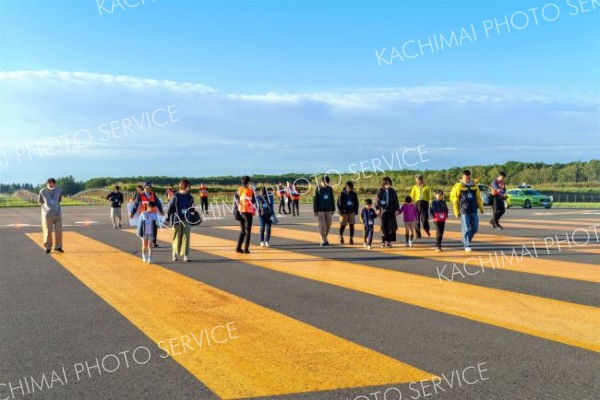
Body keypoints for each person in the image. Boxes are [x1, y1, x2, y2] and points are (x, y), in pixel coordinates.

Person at [451, 170, 484, 252]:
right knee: (466, 228)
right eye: (466, 178)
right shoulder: (459, 186)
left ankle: (466, 239)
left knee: (475, 228)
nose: (467, 179)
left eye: (468, 178)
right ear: (462, 177)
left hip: (473, 210)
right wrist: (456, 211)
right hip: (464, 210)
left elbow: (478, 197)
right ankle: (467, 245)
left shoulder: (474, 185)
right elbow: (454, 199)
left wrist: (481, 208)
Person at [167, 179, 195, 262]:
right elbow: (170, 208)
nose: (189, 188)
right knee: (176, 237)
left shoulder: (190, 197)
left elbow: (192, 211)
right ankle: (174, 254)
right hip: (176, 220)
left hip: (186, 219)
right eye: (188, 186)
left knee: (186, 237)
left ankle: (186, 255)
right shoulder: (175, 196)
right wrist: (168, 218)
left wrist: (193, 207)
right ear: (184, 186)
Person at [130, 182, 165, 248]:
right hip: (145, 215)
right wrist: (132, 213)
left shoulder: (153, 194)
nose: (149, 189)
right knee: (147, 229)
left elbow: (158, 203)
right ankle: (147, 242)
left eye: (150, 188)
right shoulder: (140, 194)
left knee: (154, 228)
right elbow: (136, 204)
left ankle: (154, 242)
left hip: (153, 214)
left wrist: (161, 210)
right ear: (144, 187)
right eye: (147, 188)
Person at [38, 178, 63, 254]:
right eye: (49, 183)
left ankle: (58, 246)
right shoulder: (42, 191)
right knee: (48, 231)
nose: (51, 184)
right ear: (47, 183)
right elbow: (40, 201)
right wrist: (46, 208)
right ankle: (48, 247)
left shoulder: (58, 190)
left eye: (53, 183)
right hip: (47, 214)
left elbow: (59, 200)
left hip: (57, 213)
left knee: (59, 231)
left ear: (55, 184)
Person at [375, 176, 399, 247]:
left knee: (391, 227)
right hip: (383, 211)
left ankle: (389, 242)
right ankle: (383, 242)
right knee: (383, 226)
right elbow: (377, 201)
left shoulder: (392, 191)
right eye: (385, 183)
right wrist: (377, 209)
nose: (387, 184)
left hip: (391, 210)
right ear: (383, 184)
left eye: (388, 183)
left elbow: (396, 201)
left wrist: (397, 209)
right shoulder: (380, 191)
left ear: (390, 183)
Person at [234, 176, 256, 254]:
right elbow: (253, 201)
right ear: (248, 182)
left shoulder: (238, 190)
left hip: (240, 212)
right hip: (247, 212)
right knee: (248, 232)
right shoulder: (250, 191)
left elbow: (236, 201)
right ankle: (246, 249)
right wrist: (253, 190)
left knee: (243, 230)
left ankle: (238, 247)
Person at [313, 176, 336, 246]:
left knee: (329, 224)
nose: (326, 184)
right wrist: (315, 210)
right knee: (322, 225)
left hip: (328, 209)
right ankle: (323, 240)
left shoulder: (330, 188)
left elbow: (332, 199)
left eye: (327, 183)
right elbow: (315, 200)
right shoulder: (317, 188)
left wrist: (333, 208)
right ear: (321, 182)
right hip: (320, 210)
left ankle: (325, 237)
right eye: (324, 183)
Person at [410, 174, 432, 238]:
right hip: (416, 204)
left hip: (424, 203)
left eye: (419, 179)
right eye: (416, 180)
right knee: (416, 220)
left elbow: (430, 196)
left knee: (424, 220)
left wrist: (431, 203)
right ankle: (418, 234)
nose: (418, 181)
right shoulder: (414, 187)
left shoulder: (427, 187)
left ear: (422, 179)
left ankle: (427, 230)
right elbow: (412, 196)